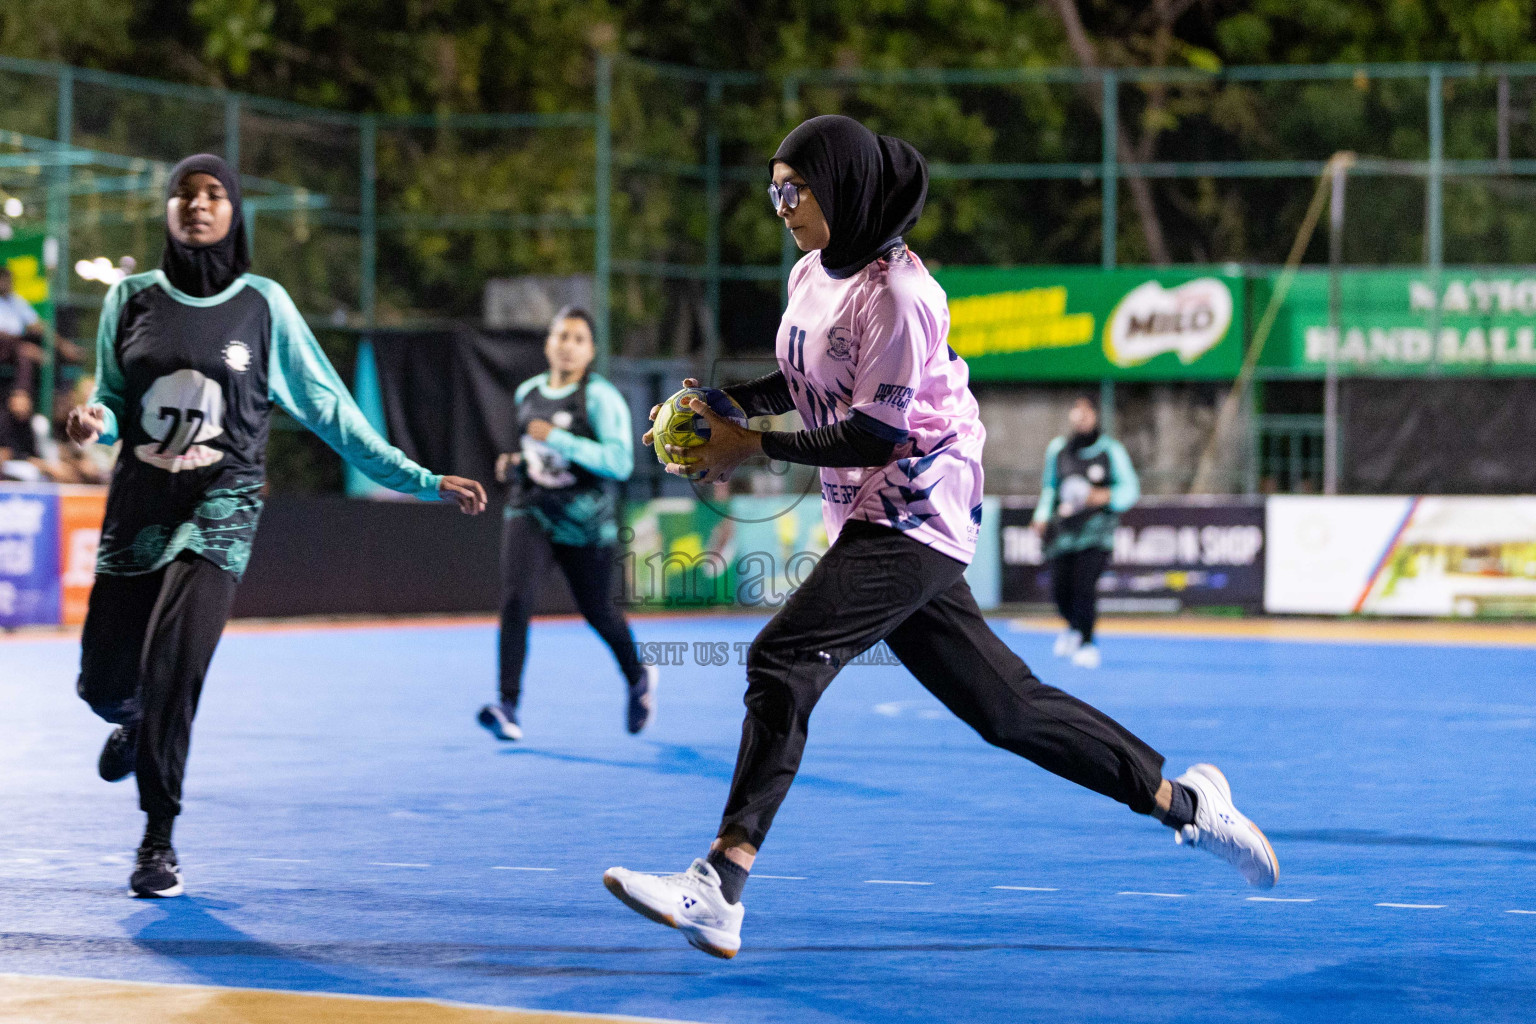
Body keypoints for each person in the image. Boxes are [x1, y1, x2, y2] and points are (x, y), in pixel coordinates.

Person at [601, 115, 1277, 959]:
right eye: (772, 188)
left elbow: (874, 437)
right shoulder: (812, 272)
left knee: (781, 657)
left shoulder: (903, 296)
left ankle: (721, 884)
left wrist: (754, 448)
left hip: (916, 512)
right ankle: (1185, 802)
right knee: (1008, 711)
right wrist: (734, 404)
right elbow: (808, 374)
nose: (779, 205)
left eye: (793, 189)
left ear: (842, 188)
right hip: (868, 514)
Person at [65, 154, 487, 900]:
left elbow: (331, 411)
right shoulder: (130, 299)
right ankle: (127, 721)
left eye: (214, 194)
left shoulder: (263, 305)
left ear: (234, 212)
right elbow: (112, 402)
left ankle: (157, 838)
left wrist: (419, 480)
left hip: (222, 511)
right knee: (103, 682)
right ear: (167, 212)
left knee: (175, 667)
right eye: (184, 196)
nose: (197, 205)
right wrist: (93, 423)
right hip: (139, 511)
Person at [478, 306, 656, 742]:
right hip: (531, 508)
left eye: (578, 338)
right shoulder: (527, 394)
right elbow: (537, 455)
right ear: (548, 343)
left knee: (598, 611)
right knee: (515, 599)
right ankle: (507, 704)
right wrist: (516, 466)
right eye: (561, 336)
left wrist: (557, 438)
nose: (568, 345)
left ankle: (637, 677)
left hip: (585, 520)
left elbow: (619, 462)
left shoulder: (600, 397)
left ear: (591, 350)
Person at [1030, 395, 1139, 669]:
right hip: (1065, 533)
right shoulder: (1059, 449)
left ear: (1095, 415)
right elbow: (1050, 488)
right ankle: (1073, 628)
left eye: (1086, 410)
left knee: (1083, 586)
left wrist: (1103, 496)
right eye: (1075, 409)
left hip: (1096, 534)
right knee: (1060, 590)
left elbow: (1130, 489)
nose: (1080, 416)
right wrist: (1042, 516)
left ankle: (1088, 641)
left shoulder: (1111, 450)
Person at [0, 266, 46, 393]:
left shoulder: (16, 300)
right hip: (5, 345)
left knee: (45, 344)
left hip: (19, 341)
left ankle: (60, 394)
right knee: (25, 352)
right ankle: (21, 395)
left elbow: (35, 324)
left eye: (8, 279)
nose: (5, 283)